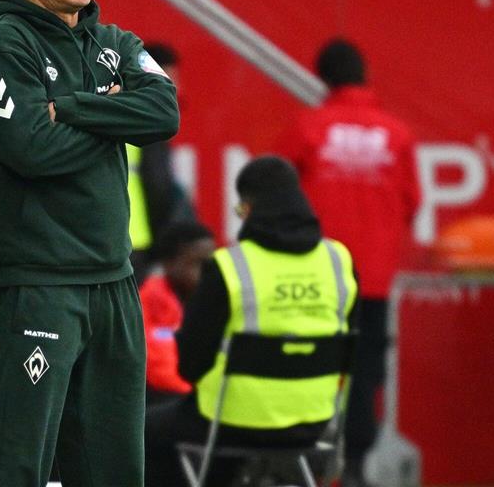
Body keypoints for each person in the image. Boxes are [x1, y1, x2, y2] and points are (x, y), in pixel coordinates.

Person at [0, 0, 179, 487]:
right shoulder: (5, 45)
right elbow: (32, 147)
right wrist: (115, 118)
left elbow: (163, 112)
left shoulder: (115, 43)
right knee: (18, 463)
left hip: (115, 281)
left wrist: (75, 108)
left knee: (114, 469)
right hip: (41, 281)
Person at [144, 155, 358, 486]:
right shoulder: (338, 260)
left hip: (231, 422)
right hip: (313, 422)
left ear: (249, 208)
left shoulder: (230, 267)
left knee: (142, 430)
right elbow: (348, 345)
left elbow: (190, 365)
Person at [280, 38, 419, 485]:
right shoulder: (396, 134)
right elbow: (412, 202)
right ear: (365, 74)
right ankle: (356, 468)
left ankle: (304, 464)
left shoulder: (307, 128)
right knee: (363, 371)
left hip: (315, 276)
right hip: (372, 279)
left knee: (308, 367)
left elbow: (276, 196)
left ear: (323, 78)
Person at [129, 42, 197, 283]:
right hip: (136, 242)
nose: (177, 87)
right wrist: (162, 243)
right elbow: (158, 184)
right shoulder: (148, 121)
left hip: (105, 237)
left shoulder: (115, 111)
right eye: (171, 78)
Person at [139, 220, 215, 404]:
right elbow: (160, 368)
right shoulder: (152, 298)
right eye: (199, 264)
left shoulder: (211, 297)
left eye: (211, 265)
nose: (207, 273)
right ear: (169, 263)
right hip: (163, 398)